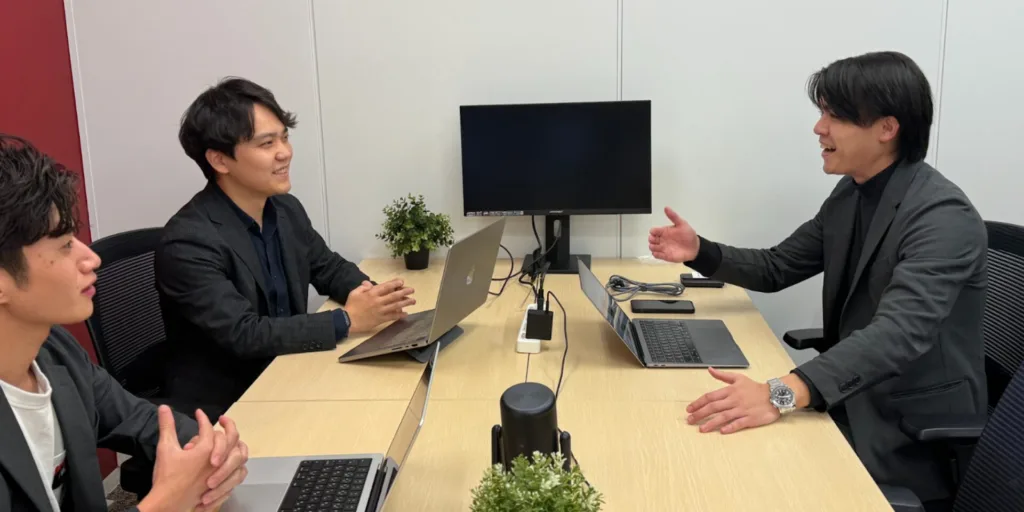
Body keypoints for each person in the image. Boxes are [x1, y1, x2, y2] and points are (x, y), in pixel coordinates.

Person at [649, 51, 986, 508]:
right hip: (849, 396)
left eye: (835, 115)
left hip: (906, 429)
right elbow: (778, 266)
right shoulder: (852, 192)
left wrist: (782, 393)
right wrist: (700, 251)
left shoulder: (943, 216)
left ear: (887, 128)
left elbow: (898, 333)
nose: (818, 128)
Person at [0, 134, 249, 511]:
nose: (91, 259)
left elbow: (144, 420)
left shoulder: (53, 351)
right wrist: (163, 504)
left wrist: (211, 451)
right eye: (64, 245)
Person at [156, 77, 416, 419]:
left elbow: (329, 268)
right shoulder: (188, 241)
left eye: (285, 137)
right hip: (229, 405)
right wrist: (348, 320)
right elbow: (244, 333)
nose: (285, 152)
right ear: (220, 160)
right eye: (267, 143)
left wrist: (377, 298)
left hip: (290, 372)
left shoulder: (284, 209)